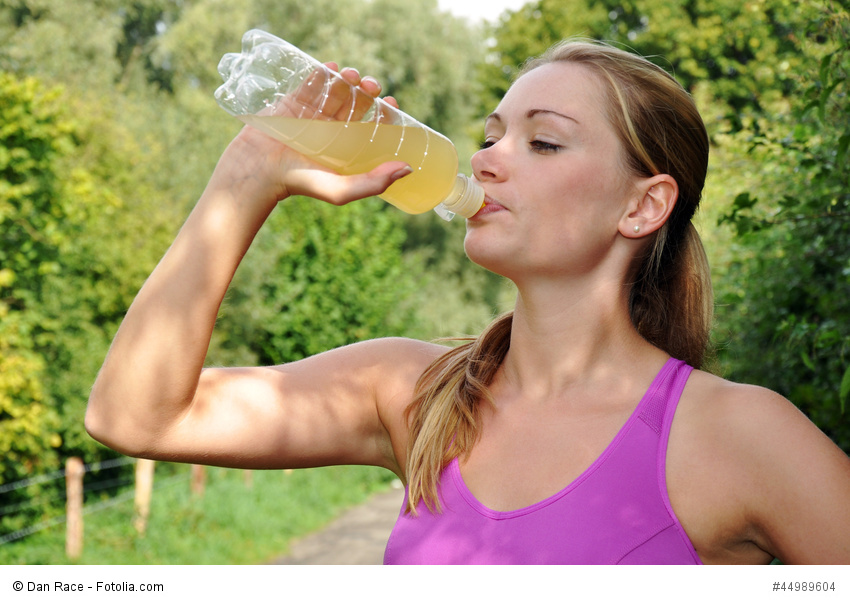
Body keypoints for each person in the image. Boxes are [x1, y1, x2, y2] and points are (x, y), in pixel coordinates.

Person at [86, 39, 850, 565]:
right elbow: (134, 415)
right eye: (491, 134)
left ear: (644, 205)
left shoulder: (738, 435)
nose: (486, 159)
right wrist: (251, 167)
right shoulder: (411, 393)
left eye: (542, 142)